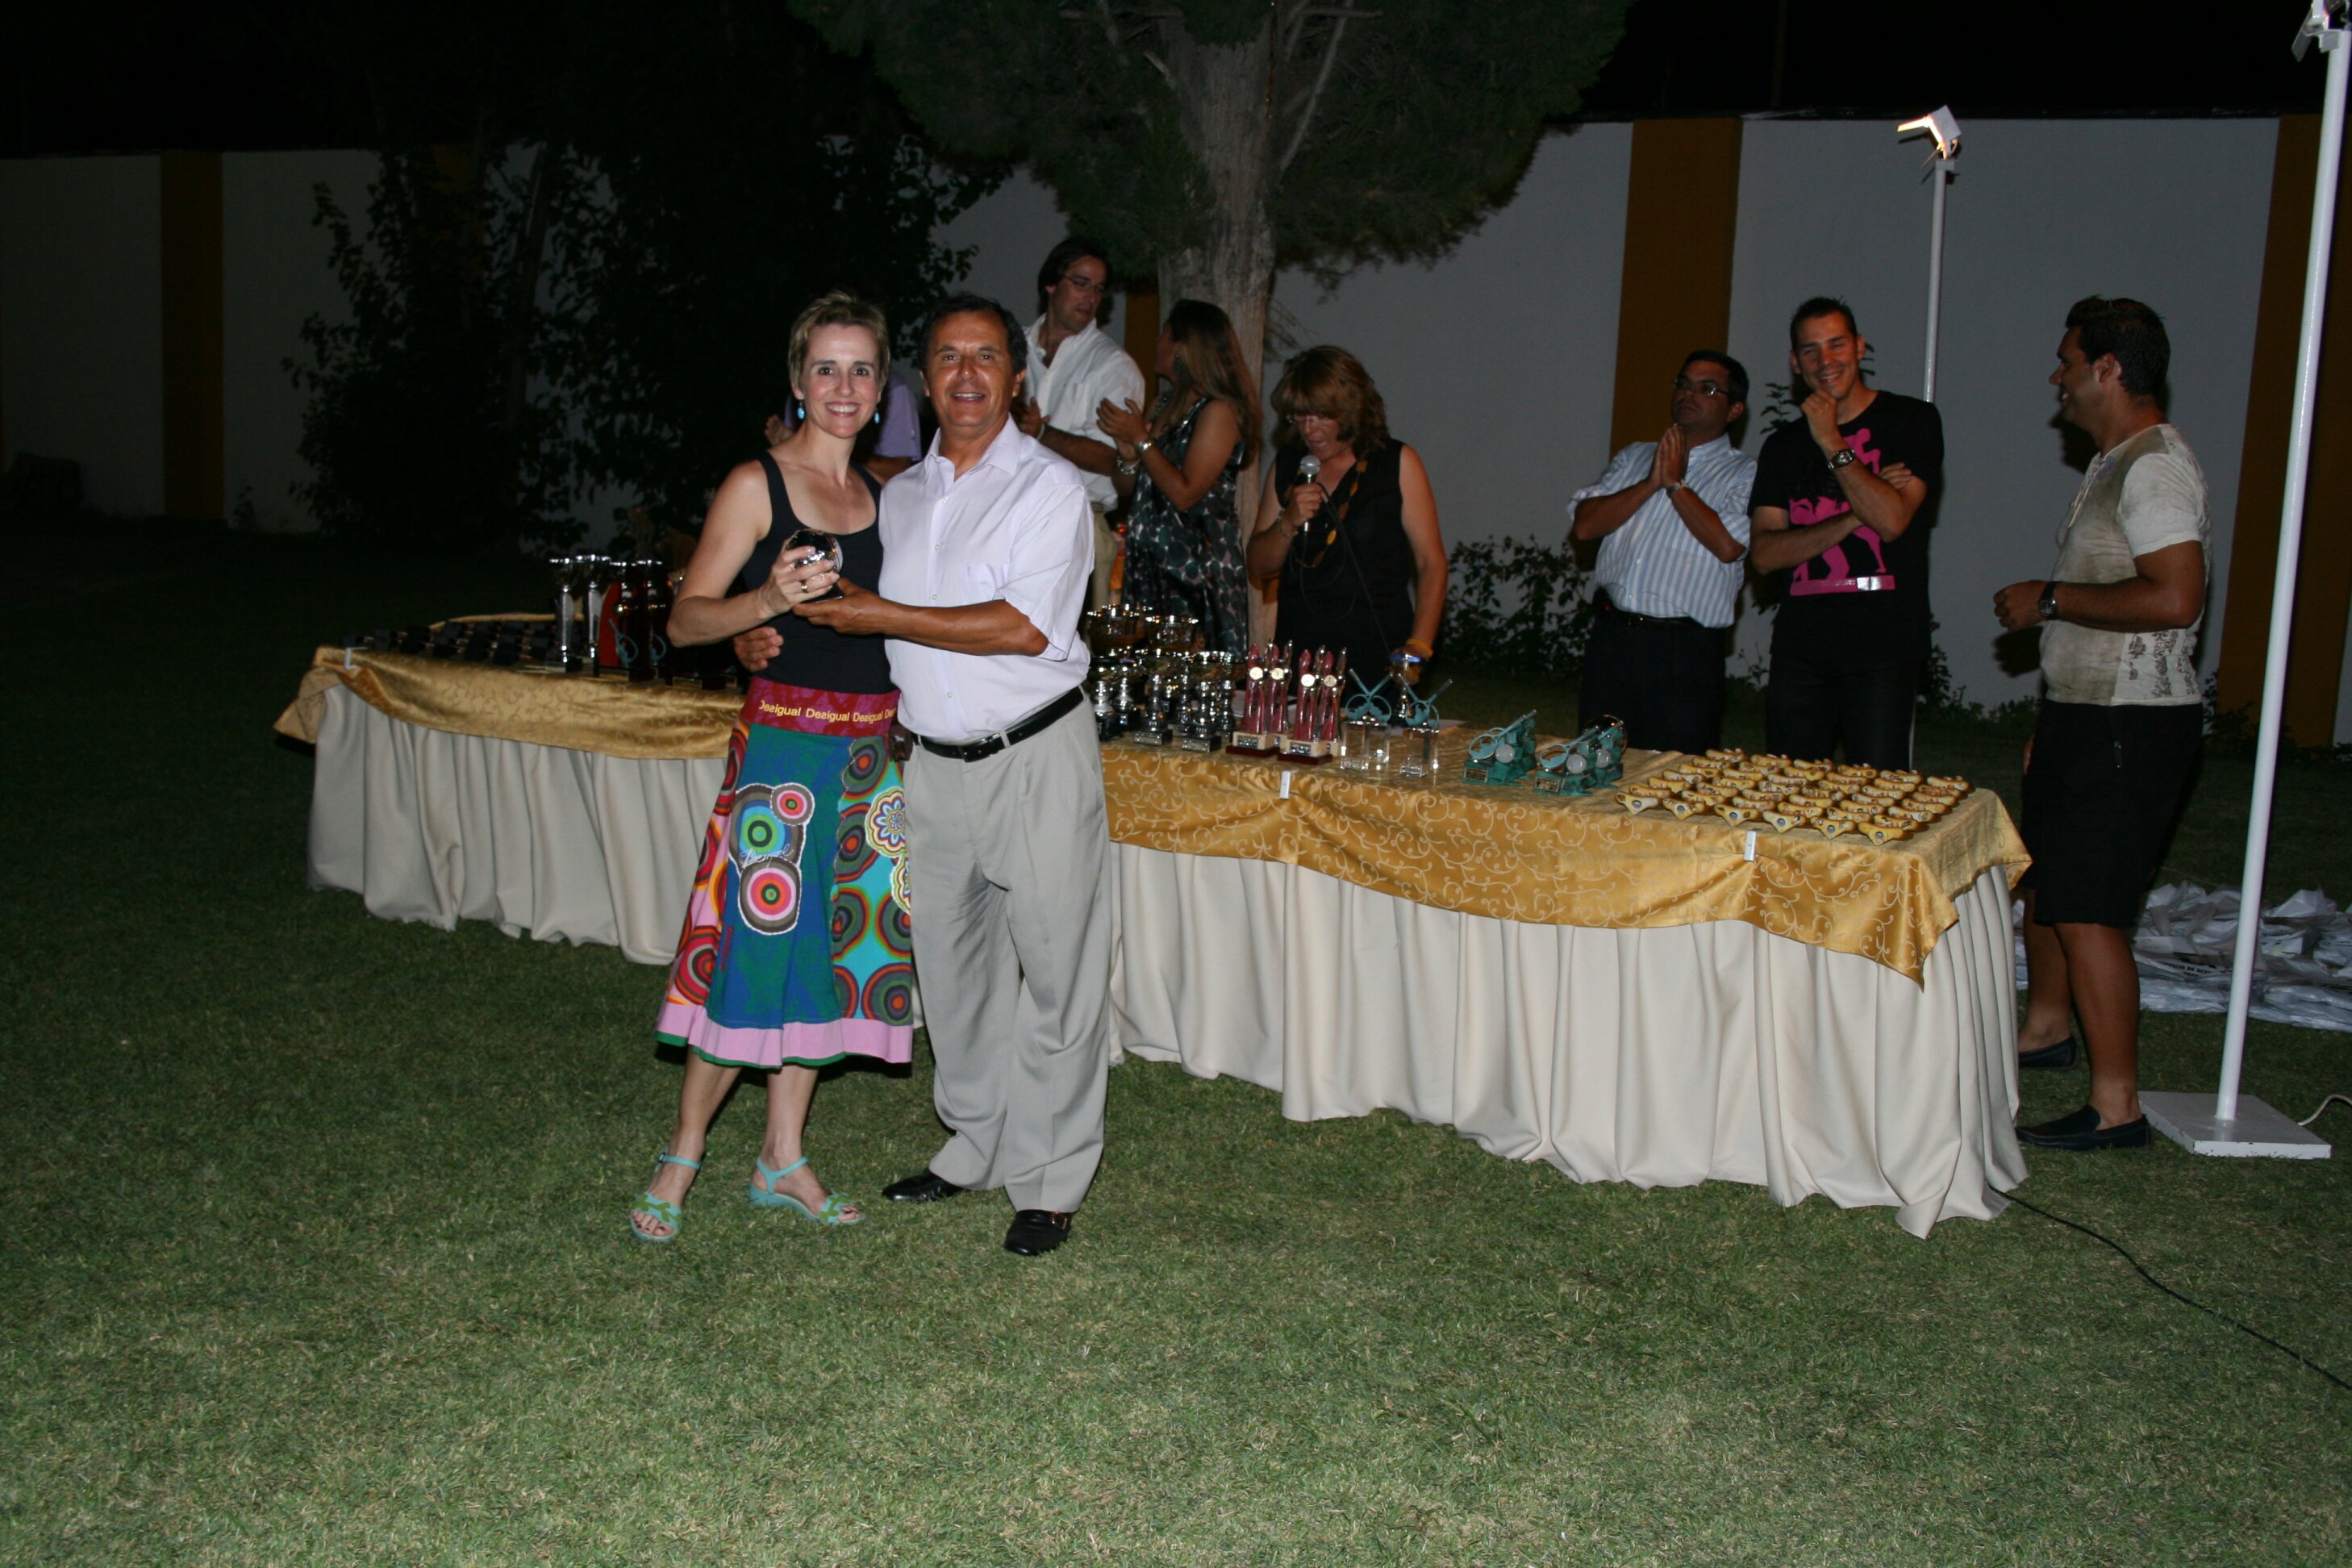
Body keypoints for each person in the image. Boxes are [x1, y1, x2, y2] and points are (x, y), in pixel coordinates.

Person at [782, 293, 1111, 1257]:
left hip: (1034, 756)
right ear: (923, 382)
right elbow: (846, 619)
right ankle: (974, 1145)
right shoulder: (902, 497)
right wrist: (766, 634)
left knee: (1057, 975)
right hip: (930, 765)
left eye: (987, 356)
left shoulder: (1051, 488)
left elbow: (1025, 627)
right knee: (954, 977)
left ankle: (1049, 1179)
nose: (967, 374)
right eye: (948, 358)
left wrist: (878, 615)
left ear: (1017, 377)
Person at [628, 292, 911, 1244]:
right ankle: (682, 1155)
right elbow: (684, 620)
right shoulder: (758, 485)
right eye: (826, 368)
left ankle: (782, 1157)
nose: (843, 386)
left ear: (882, 387)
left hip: (868, 758)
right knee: (754, 946)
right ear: (798, 380)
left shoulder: (888, 499)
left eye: (861, 369)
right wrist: (763, 604)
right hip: (784, 754)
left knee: (827, 953)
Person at [1995, 298, 2209, 1152]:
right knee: (2048, 887)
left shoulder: (2155, 468)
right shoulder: (2116, 461)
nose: (2058, 378)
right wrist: (2054, 716)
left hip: (2131, 722)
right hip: (2085, 713)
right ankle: (2046, 1029)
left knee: (2089, 911)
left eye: (2068, 361)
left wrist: (2048, 600)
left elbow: (2176, 596)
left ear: (2109, 369)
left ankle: (2117, 1106)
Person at [1749, 296, 1943, 768]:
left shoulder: (1911, 421)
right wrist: (1858, 513)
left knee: (1874, 791)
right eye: (1810, 350)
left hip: (1883, 646)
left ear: (1859, 347)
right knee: (1788, 787)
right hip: (1801, 647)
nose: (1825, 361)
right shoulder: (1782, 446)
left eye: (1837, 345)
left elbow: (1893, 522)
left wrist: (1831, 440)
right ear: (1796, 363)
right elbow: (1766, 554)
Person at [1567, 351, 1756, 753]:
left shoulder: (1746, 473)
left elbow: (1729, 545)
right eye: (1683, 384)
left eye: (1707, 388)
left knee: (1673, 772)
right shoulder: (1635, 456)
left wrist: (1675, 485)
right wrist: (1651, 482)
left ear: (1735, 409)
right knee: (1597, 764)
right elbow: (1585, 525)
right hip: (1613, 640)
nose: (1689, 393)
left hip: (1682, 651)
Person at [1244, 346, 1448, 690]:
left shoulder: (1396, 463)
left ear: (1350, 409)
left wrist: (1419, 647)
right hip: (1300, 657)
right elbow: (1258, 565)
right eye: (1300, 418)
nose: (1310, 430)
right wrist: (1288, 522)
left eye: (1321, 417)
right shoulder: (1289, 464)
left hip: (1375, 656)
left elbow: (1432, 563)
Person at [1096, 298, 1258, 653]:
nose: (1157, 342)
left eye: (1164, 335)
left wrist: (1141, 440)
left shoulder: (1218, 411)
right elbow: (1128, 488)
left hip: (1195, 573)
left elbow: (1186, 494)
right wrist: (1128, 456)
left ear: (1183, 347)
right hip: (1151, 568)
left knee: (1191, 679)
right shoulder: (1162, 405)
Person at [1013, 236, 1147, 608]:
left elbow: (1115, 460)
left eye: (1099, 289)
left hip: (1078, 525)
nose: (1090, 297)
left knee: (1072, 642)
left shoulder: (1112, 365)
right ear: (1051, 283)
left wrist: (1042, 433)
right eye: (1081, 283)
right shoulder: (1011, 348)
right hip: (1008, 518)